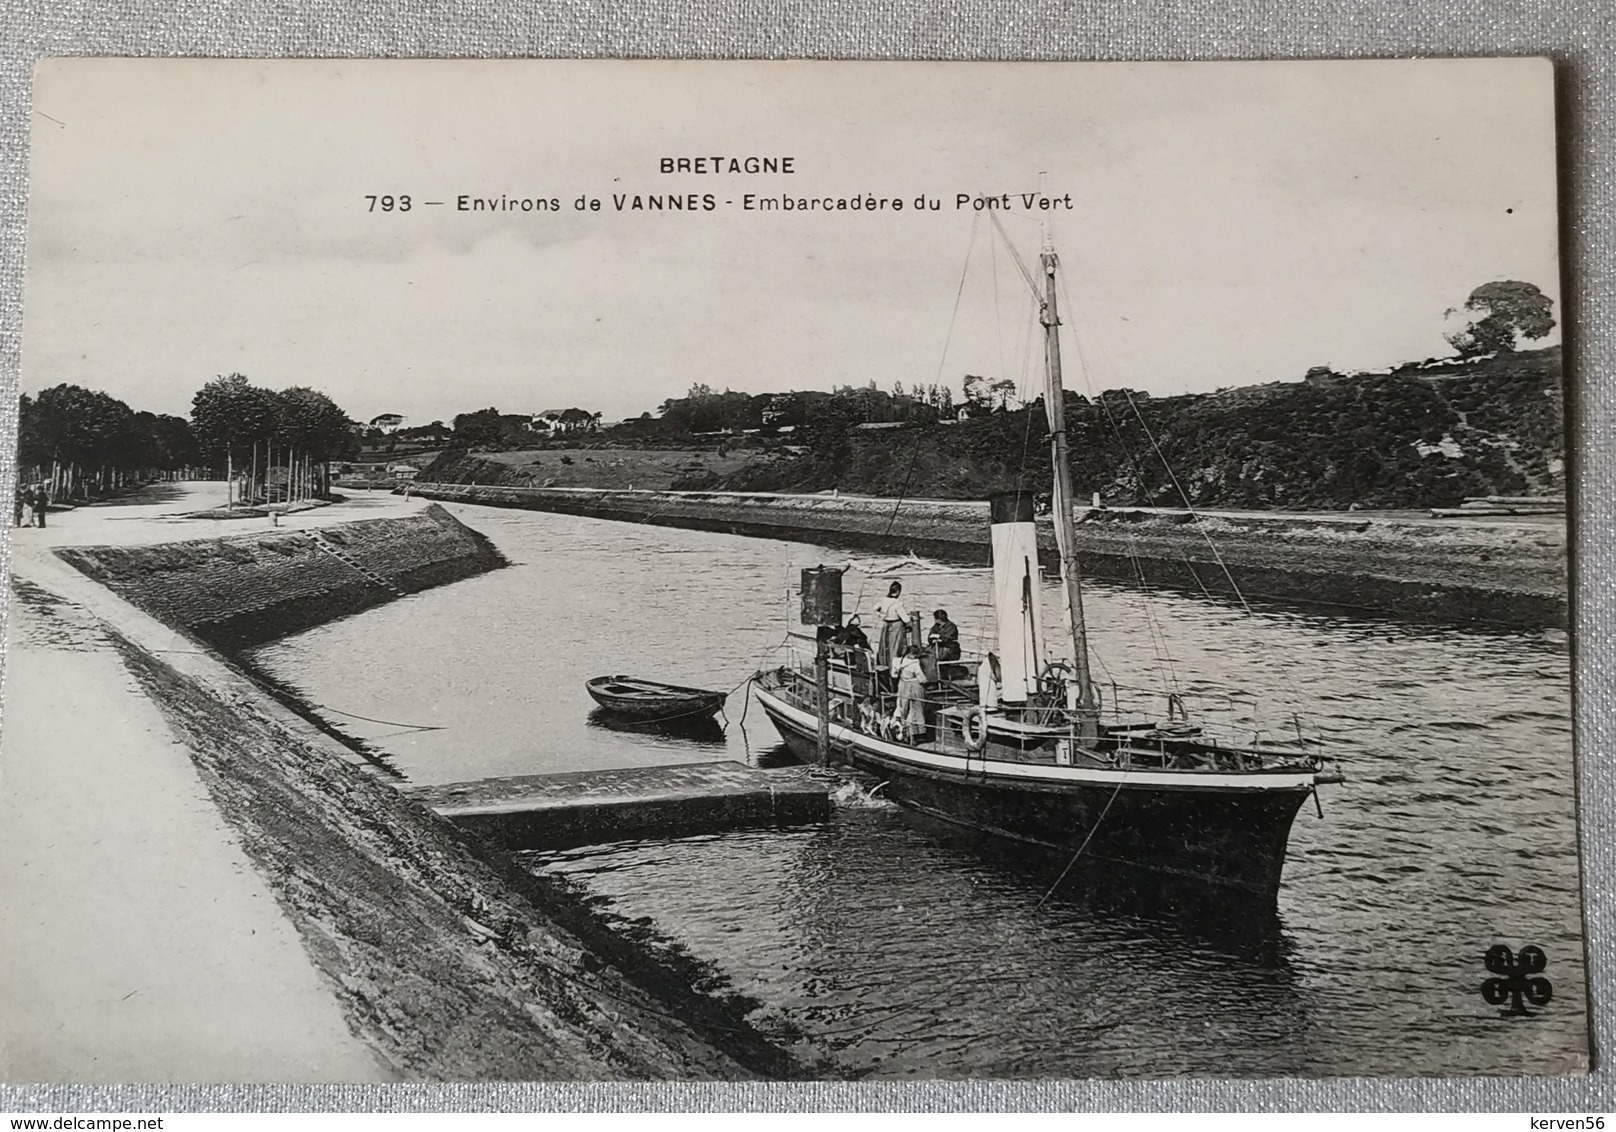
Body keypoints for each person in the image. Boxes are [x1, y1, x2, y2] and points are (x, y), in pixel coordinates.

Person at [874, 580, 910, 673]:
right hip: (896, 626)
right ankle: (893, 669)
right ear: (898, 592)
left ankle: (884, 665)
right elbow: (905, 618)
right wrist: (911, 621)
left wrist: (881, 616)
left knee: (885, 646)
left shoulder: (883, 600)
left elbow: (875, 609)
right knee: (895, 647)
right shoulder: (897, 603)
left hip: (886, 625)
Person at [894, 646, 928, 742]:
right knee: (917, 708)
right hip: (914, 686)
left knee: (903, 708)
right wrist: (925, 681)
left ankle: (905, 731)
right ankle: (918, 733)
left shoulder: (900, 661)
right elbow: (921, 677)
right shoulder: (915, 664)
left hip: (902, 685)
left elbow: (894, 674)